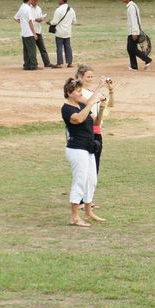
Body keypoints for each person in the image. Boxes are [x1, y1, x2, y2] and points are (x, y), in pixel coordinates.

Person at [61, 76, 107, 227]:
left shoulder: (81, 104)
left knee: (91, 180)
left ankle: (88, 212)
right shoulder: (67, 108)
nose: (81, 94)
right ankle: (74, 217)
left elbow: (96, 122)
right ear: (69, 93)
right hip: (76, 149)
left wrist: (100, 108)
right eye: (78, 91)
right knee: (80, 181)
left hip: (88, 147)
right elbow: (79, 119)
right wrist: (91, 104)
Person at [76, 64, 114, 173]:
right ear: (80, 77)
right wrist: (99, 87)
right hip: (86, 131)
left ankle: (91, 190)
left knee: (95, 166)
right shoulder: (79, 92)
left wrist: (111, 91)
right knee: (85, 168)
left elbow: (110, 106)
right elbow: (88, 103)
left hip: (97, 131)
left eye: (92, 77)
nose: (90, 79)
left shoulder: (93, 92)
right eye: (88, 77)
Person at [122, 0, 152, 71]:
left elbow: (134, 20)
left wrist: (134, 32)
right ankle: (134, 66)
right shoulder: (131, 6)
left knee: (131, 48)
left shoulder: (131, 7)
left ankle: (147, 59)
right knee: (130, 48)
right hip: (132, 31)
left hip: (134, 32)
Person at [14, 0, 40, 70]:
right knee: (32, 50)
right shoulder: (28, 8)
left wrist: (22, 23)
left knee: (26, 50)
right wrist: (34, 33)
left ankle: (26, 65)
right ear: (29, 0)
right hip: (29, 33)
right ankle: (33, 65)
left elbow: (15, 17)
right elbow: (30, 21)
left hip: (23, 32)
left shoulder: (22, 7)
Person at [50, 0, 77, 68]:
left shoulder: (58, 10)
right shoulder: (71, 9)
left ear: (61, 1)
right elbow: (74, 21)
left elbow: (54, 22)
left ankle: (59, 63)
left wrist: (49, 22)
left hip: (59, 32)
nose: (58, 0)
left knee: (59, 47)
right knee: (68, 47)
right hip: (68, 31)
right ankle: (70, 62)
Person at [31, 0, 54, 68]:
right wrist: (35, 19)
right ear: (32, 0)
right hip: (31, 31)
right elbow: (28, 19)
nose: (36, 3)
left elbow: (40, 18)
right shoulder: (28, 8)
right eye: (35, 1)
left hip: (38, 30)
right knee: (33, 49)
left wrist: (42, 19)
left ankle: (47, 63)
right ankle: (34, 64)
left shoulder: (38, 8)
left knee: (42, 48)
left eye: (37, 1)